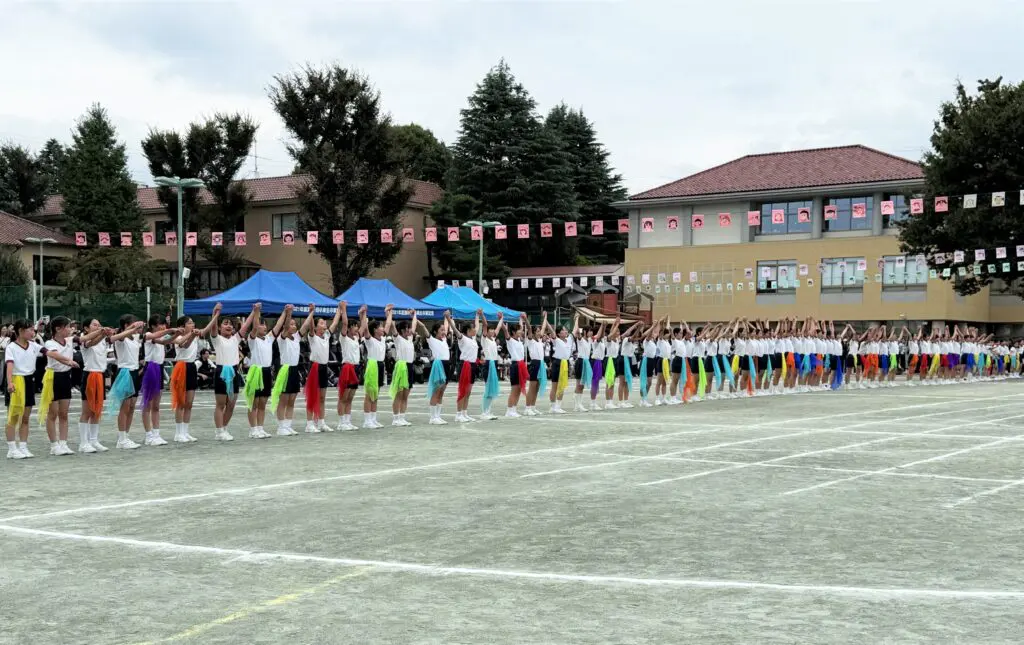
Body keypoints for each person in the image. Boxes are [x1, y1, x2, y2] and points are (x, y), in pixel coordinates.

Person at [6, 319, 79, 459]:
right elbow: (10, 365)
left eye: (33, 330)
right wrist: (10, 382)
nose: (33, 333)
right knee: (13, 417)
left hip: (29, 380)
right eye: (30, 330)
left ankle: (23, 446)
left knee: (25, 418)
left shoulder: (34, 345)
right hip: (16, 380)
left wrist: (67, 360)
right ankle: (12, 448)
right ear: (20, 331)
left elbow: (51, 354)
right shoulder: (12, 347)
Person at [208, 304, 257, 441]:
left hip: (234, 371)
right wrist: (215, 313)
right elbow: (212, 328)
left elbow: (246, 326)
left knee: (231, 404)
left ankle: (224, 428)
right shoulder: (216, 339)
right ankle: (218, 431)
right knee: (221, 404)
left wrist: (253, 312)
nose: (228, 326)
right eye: (225, 324)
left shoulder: (236, 339)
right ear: (219, 327)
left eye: (230, 324)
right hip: (222, 371)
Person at [171, 309, 219, 443]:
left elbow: (205, 330)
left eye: (193, 323)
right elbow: (184, 345)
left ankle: (185, 431)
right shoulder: (178, 337)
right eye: (190, 323)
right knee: (181, 401)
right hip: (182, 366)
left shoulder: (195, 335)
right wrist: (192, 334)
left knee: (189, 402)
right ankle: (178, 432)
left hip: (191, 366)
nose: (193, 325)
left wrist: (215, 316)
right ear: (182, 326)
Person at [39, 316, 81, 456]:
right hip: (53, 377)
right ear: (58, 329)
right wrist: (69, 361)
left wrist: (100, 332)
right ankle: (54, 445)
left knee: (64, 413)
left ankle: (63, 443)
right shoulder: (50, 343)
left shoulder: (69, 340)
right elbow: (56, 356)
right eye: (68, 327)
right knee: (53, 413)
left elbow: (85, 339)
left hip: (65, 377)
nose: (71, 329)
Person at [244, 305, 286, 439]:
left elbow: (279, 325)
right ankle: (253, 429)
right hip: (256, 372)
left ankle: (260, 428)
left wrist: (285, 312)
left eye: (265, 325)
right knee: (253, 403)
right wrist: (256, 312)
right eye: (262, 325)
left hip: (267, 371)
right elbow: (254, 327)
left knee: (262, 402)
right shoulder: (252, 339)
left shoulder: (269, 339)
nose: (264, 327)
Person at [139, 315, 181, 447]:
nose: (162, 327)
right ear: (152, 326)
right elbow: (160, 337)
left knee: (156, 405)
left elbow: (165, 341)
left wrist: (175, 334)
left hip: (159, 367)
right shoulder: (148, 335)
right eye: (159, 325)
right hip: (150, 367)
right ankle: (148, 435)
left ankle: (156, 433)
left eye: (163, 324)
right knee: (147, 404)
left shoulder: (159, 337)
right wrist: (169, 330)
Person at [106, 315, 147, 450]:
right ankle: (121, 438)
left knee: (131, 406)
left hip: (134, 372)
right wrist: (132, 327)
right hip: (125, 372)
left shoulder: (135, 338)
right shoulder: (121, 338)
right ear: (126, 325)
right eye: (133, 325)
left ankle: (125, 436)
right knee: (125, 406)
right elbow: (114, 338)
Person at [302, 303, 343, 433]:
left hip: (324, 368)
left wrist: (339, 310)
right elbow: (310, 327)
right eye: (321, 323)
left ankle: (321, 422)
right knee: (312, 397)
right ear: (316, 326)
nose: (324, 324)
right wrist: (312, 312)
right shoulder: (312, 337)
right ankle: (309, 424)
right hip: (314, 367)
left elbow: (335, 323)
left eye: (325, 322)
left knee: (322, 398)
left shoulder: (327, 336)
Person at [77, 318, 113, 453]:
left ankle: (94, 440)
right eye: (94, 325)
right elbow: (91, 343)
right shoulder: (83, 338)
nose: (98, 327)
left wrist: (105, 334)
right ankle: (83, 442)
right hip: (89, 375)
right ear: (86, 328)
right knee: (87, 410)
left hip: (100, 375)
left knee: (96, 411)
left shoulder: (103, 339)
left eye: (99, 325)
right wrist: (102, 333)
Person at [269, 305, 301, 436]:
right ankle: (281, 426)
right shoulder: (281, 339)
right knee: (284, 399)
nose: (293, 326)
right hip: (285, 370)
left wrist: (311, 313)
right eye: (291, 324)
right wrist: (288, 314)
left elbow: (304, 327)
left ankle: (288, 425)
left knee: (292, 400)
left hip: (294, 369)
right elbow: (286, 327)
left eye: (294, 324)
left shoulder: (297, 338)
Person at [335, 304, 364, 431]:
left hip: (356, 367)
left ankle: (347, 421)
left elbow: (364, 326)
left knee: (350, 397)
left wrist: (362, 313)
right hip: (347, 367)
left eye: (357, 326)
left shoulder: (357, 338)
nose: (357, 328)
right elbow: (345, 323)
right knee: (344, 396)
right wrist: (344, 310)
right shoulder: (344, 338)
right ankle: (341, 422)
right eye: (354, 326)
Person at [451, 309, 482, 423]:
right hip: (465, 365)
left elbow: (478, 326)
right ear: (468, 330)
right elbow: (455, 330)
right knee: (462, 390)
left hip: (473, 365)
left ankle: (464, 413)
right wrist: (450, 320)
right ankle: (458, 414)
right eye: (473, 328)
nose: (475, 329)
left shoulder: (473, 339)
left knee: (468, 392)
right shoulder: (462, 339)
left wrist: (477, 315)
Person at [387, 308, 416, 426]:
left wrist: (414, 315)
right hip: (401, 366)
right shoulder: (397, 338)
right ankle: (395, 418)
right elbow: (393, 327)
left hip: (410, 366)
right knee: (399, 394)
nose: (411, 330)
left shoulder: (410, 338)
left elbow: (414, 325)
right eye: (408, 328)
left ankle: (402, 417)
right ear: (404, 330)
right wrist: (389, 313)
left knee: (406, 394)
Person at [360, 305, 387, 430]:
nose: (383, 328)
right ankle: (367, 420)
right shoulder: (369, 340)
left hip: (381, 365)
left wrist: (388, 312)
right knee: (369, 394)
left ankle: (373, 419)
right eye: (380, 326)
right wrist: (363, 314)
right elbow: (365, 329)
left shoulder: (383, 339)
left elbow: (388, 324)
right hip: (372, 365)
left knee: (376, 394)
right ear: (375, 330)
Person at [547, 315, 578, 414]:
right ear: (559, 334)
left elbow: (575, 329)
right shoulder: (557, 340)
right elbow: (551, 330)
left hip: (565, 363)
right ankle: (552, 407)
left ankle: (558, 406)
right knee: (555, 386)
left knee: (562, 385)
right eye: (564, 330)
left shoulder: (569, 339)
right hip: (557, 362)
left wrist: (576, 318)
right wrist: (545, 320)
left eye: (565, 330)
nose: (566, 331)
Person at [425, 314, 452, 425]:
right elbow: (424, 329)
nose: (444, 332)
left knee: (441, 392)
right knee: (436, 391)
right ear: (436, 331)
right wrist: (415, 317)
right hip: (439, 365)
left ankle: (438, 415)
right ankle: (432, 417)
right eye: (441, 330)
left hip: (446, 365)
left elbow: (446, 324)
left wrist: (446, 317)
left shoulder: (444, 340)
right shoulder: (431, 340)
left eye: (444, 330)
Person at [479, 312, 502, 420]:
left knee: (492, 389)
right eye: (490, 330)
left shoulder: (493, 339)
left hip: (494, 363)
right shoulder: (484, 339)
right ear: (486, 331)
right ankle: (484, 412)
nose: (493, 331)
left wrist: (501, 318)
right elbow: (484, 324)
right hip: (488, 364)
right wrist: (482, 315)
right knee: (488, 389)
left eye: (493, 330)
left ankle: (488, 411)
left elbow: (499, 327)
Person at [504, 314, 528, 418]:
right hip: (515, 365)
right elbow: (505, 332)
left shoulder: (519, 340)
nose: (521, 331)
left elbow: (521, 327)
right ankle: (509, 410)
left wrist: (521, 319)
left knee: (519, 388)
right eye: (519, 330)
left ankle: (514, 409)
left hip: (522, 365)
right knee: (514, 389)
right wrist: (502, 321)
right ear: (514, 332)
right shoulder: (510, 341)